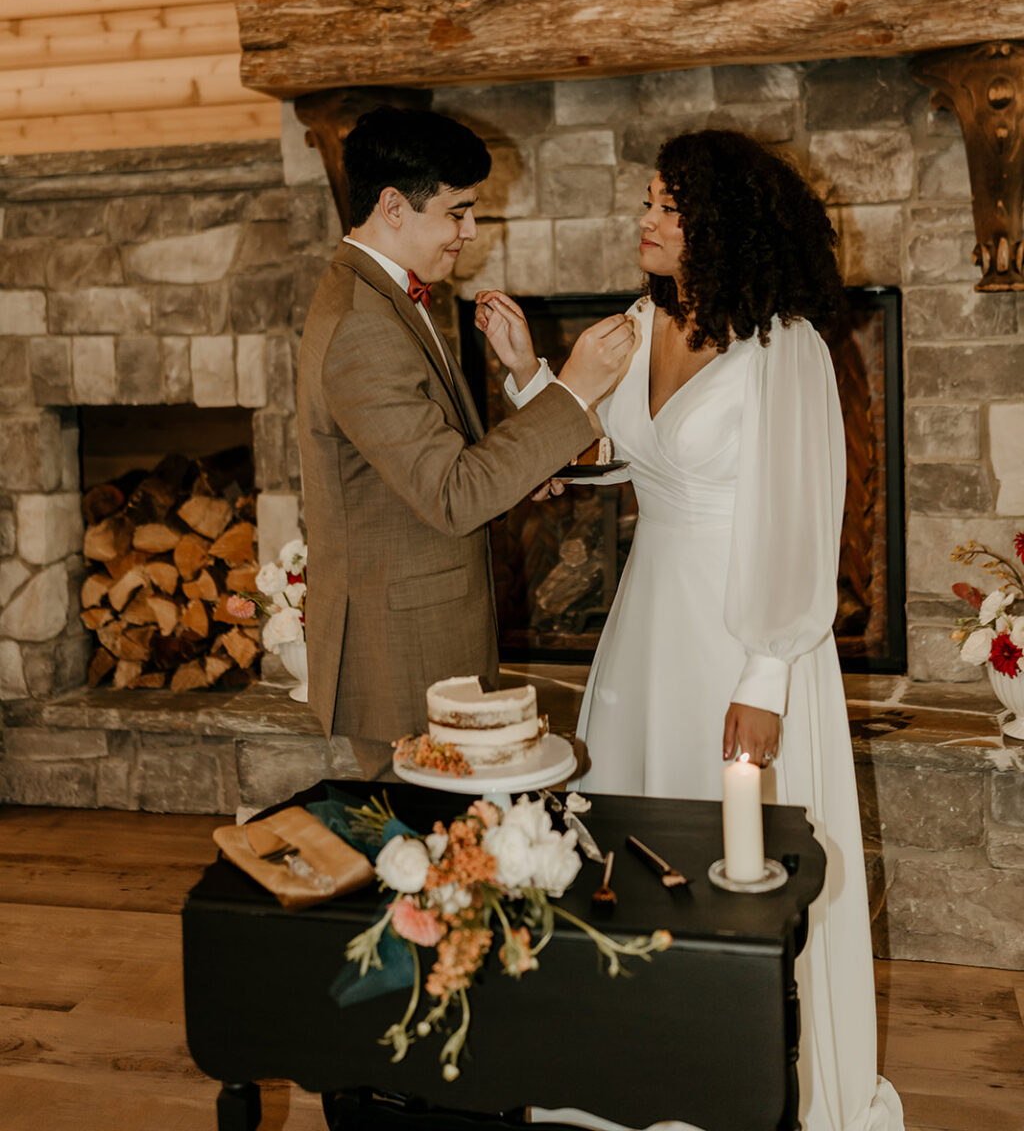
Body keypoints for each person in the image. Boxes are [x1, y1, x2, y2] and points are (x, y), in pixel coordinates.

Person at [477, 129, 903, 1131]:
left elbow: (807, 517)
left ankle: (754, 1080)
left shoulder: (784, 343)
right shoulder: (638, 322)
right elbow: (610, 458)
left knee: (738, 861)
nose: (645, 219)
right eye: (647, 202)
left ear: (722, 223)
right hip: (647, 622)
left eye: (668, 206)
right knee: (635, 838)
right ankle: (645, 1068)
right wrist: (525, 373)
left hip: (746, 628)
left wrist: (763, 677)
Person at [297, 104, 634, 778]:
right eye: (457, 212)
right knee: (431, 861)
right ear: (393, 206)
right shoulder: (362, 324)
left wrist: (523, 418)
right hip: (402, 656)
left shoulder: (388, 297)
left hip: (423, 633)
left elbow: (431, 462)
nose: (470, 231)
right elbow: (452, 495)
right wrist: (572, 391)